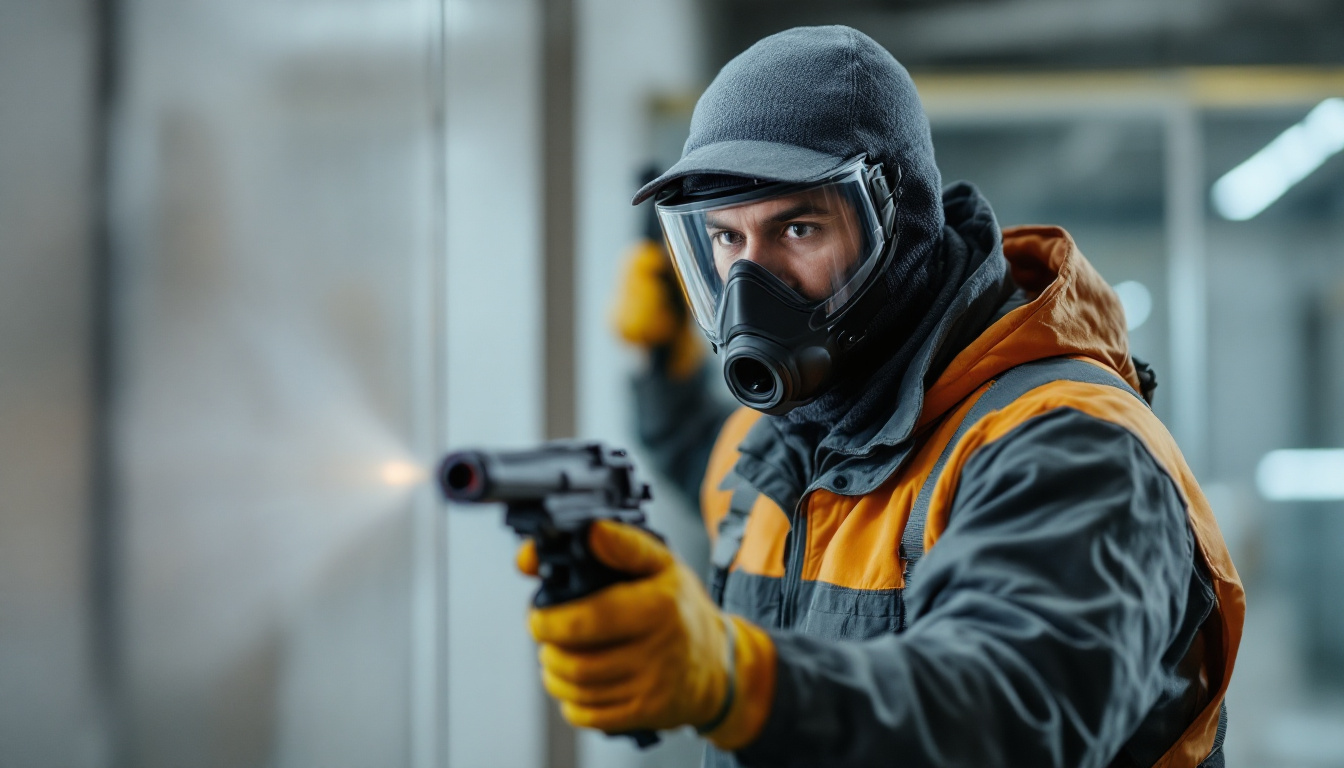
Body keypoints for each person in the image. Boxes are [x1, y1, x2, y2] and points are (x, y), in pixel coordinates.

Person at [518, 25, 1245, 768]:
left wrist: (740, 681)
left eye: (797, 227)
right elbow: (721, 467)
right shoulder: (779, 437)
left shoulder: (1071, 447)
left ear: (901, 219)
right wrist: (661, 367)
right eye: (726, 241)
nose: (750, 290)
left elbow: (1009, 712)